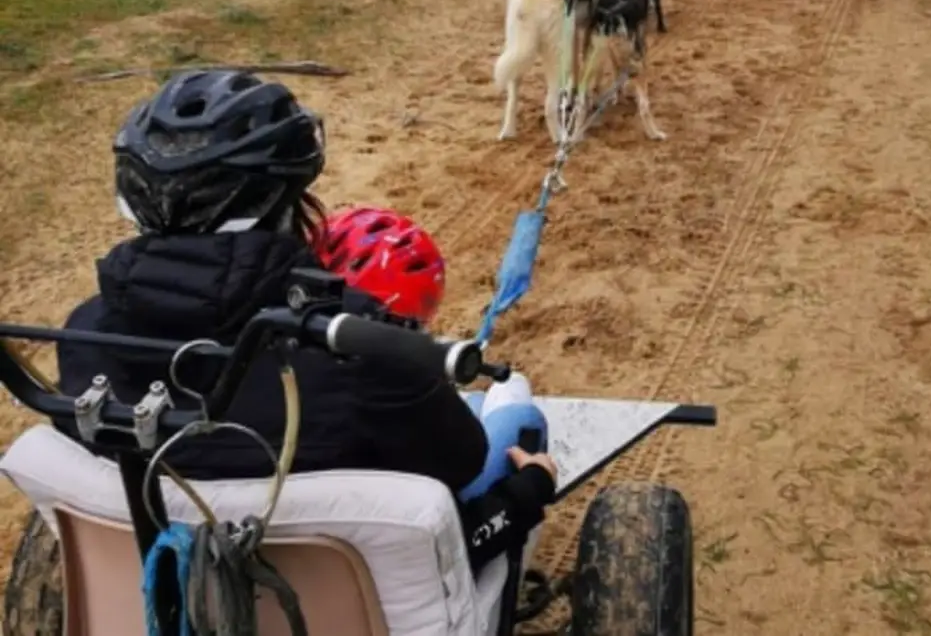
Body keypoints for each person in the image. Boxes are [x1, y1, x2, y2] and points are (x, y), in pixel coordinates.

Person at [54, 69, 556, 573]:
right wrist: (527, 488)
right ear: (283, 201)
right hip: (353, 594)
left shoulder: (83, 336)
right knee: (520, 417)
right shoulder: (360, 344)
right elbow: (461, 464)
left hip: (160, 581)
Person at [314, 205, 550, 502]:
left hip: (314, 514)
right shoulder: (394, 380)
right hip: (407, 519)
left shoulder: (272, 351)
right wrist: (530, 487)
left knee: (477, 401)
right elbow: (464, 462)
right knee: (518, 403)